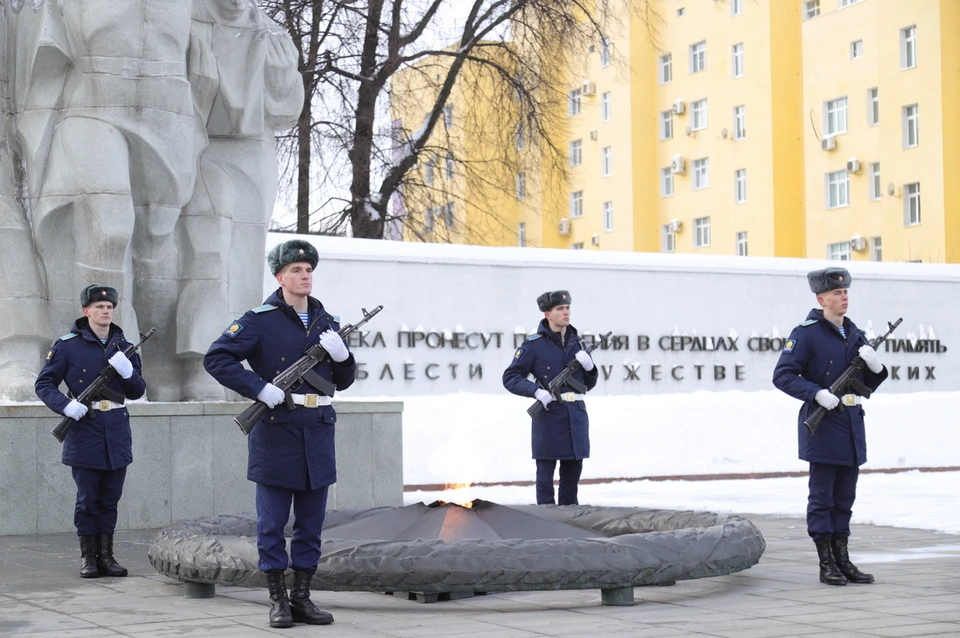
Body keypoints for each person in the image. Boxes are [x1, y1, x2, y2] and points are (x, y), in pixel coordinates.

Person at [203, 239, 355, 628]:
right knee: (272, 524)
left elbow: (344, 381)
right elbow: (216, 358)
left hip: (318, 432)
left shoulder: (327, 322)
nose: (305, 276)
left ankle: (302, 597)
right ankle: (277, 600)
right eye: (296, 271)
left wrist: (343, 357)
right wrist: (258, 388)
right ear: (279, 277)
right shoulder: (260, 319)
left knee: (310, 524)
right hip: (276, 431)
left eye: (308, 271)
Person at [773, 267, 888, 586]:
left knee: (844, 498)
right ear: (821, 298)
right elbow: (782, 375)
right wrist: (816, 393)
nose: (844, 296)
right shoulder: (806, 333)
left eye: (846, 292)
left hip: (851, 426)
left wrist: (877, 369)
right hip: (822, 427)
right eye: (837, 293)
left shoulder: (855, 334)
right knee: (822, 498)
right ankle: (826, 563)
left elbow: (866, 383)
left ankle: (843, 559)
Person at [35, 284, 146, 579]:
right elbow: (44, 384)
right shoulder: (67, 345)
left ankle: (107, 556)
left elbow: (137, 391)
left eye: (109, 307)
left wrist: (127, 372)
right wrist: (66, 407)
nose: (105, 310)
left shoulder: (124, 346)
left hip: (117, 429)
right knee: (88, 499)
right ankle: (89, 558)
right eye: (99, 306)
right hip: (85, 428)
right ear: (86, 311)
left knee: (110, 498)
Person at [502, 290, 598, 506]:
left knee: (572, 478)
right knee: (545, 479)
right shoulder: (534, 345)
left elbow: (588, 384)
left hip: (576, 416)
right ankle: (546, 524)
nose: (566, 312)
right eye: (560, 309)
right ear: (547, 314)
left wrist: (590, 367)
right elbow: (510, 377)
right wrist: (535, 391)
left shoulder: (578, 343)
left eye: (568, 308)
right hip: (549, 415)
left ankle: (570, 523)